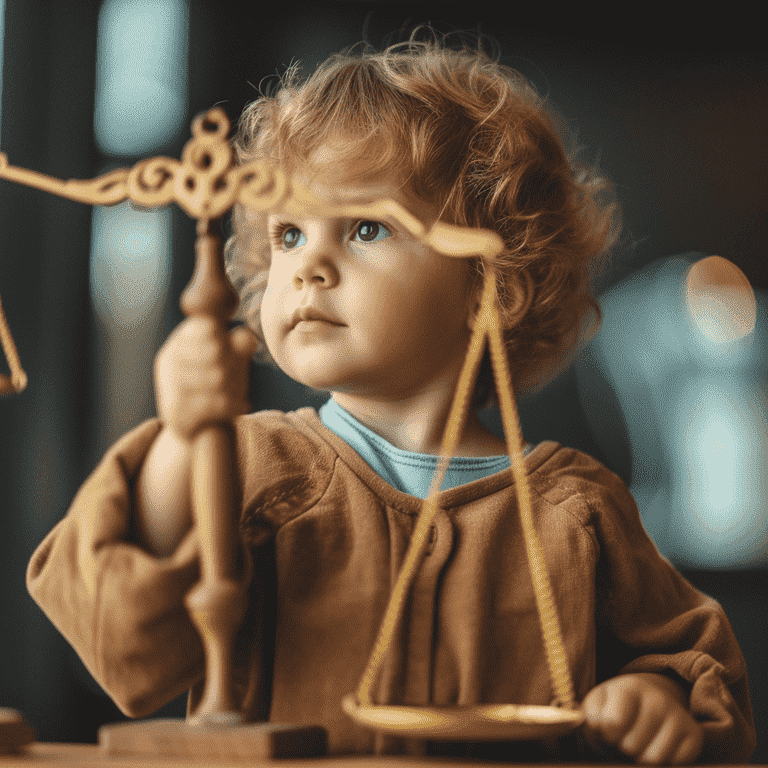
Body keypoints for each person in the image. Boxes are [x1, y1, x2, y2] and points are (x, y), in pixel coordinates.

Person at [27, 31, 755, 764]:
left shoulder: (576, 510)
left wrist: (655, 700)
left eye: (366, 228)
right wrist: (184, 438)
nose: (308, 264)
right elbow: (121, 647)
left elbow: (693, 666)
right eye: (287, 235)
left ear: (490, 285)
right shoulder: (250, 462)